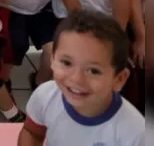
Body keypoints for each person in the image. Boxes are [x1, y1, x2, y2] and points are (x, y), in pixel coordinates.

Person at [18, 10, 144, 146]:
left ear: (119, 79)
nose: (76, 79)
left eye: (93, 71)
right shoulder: (45, 97)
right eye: (67, 63)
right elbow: (32, 132)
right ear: (52, 59)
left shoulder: (135, 132)